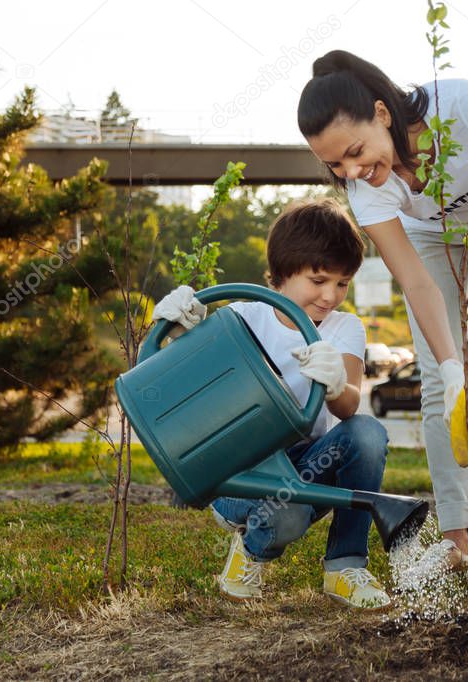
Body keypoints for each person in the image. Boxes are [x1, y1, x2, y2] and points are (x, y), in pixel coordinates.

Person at [297, 50, 468, 584]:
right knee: (441, 380)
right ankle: (457, 540)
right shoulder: (365, 188)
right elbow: (416, 282)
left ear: (383, 115)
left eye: (354, 152)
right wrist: (455, 368)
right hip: (431, 238)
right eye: (335, 166)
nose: (351, 171)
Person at [152, 200, 392, 609]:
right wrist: (179, 329)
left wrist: (336, 384)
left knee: (368, 433)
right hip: (240, 473)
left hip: (302, 466)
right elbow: (183, 384)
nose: (331, 295)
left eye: (342, 283)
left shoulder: (343, 327)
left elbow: (349, 406)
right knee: (287, 513)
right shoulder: (244, 317)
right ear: (282, 273)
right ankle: (251, 549)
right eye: (318, 280)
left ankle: (345, 567)